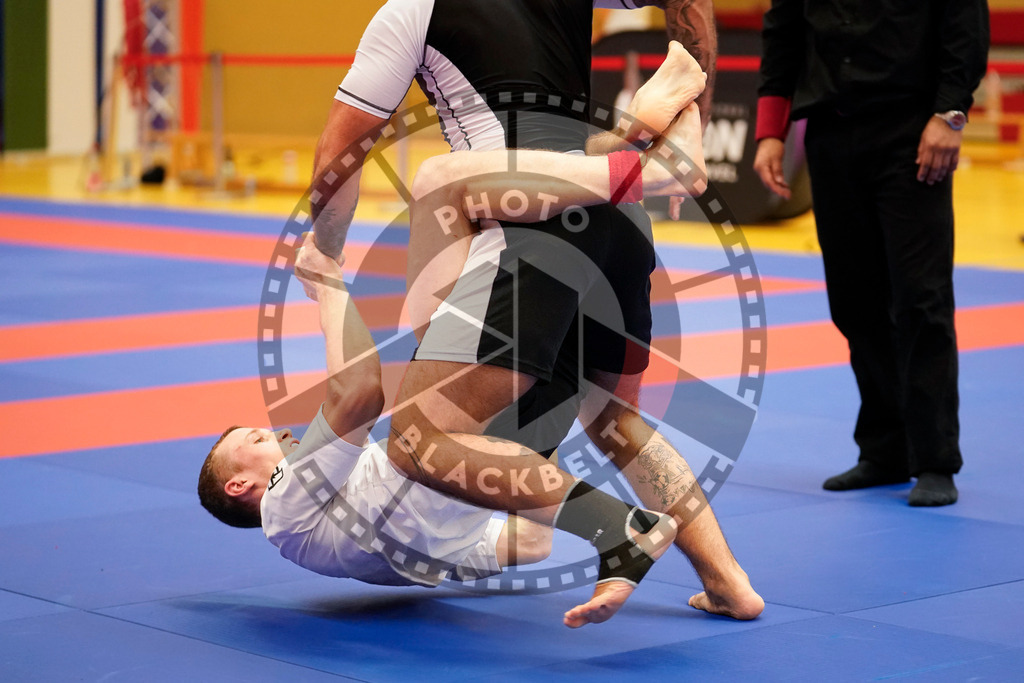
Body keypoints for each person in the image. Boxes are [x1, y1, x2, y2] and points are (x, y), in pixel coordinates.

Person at [310, 0, 763, 627]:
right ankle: (729, 583)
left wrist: (323, 249)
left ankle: (621, 531)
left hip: (530, 215)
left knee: (418, 440)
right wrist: (696, 120)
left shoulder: (408, 13)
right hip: (619, 218)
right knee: (616, 420)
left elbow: (339, 152)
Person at [198, 136, 709, 610]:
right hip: (491, 417)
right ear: (241, 485)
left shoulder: (395, 561)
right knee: (447, 188)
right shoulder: (283, 513)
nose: (279, 432)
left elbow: (531, 545)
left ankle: (650, 140)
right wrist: (327, 281)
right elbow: (358, 393)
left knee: (561, 221)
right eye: (256, 437)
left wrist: (518, 489)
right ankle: (656, 145)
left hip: (528, 426)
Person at [753, 0, 990, 506]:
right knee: (854, 301)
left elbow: (963, 25)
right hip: (831, 134)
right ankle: (885, 451)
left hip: (911, 132)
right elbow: (783, 32)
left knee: (919, 299)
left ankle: (933, 459)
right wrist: (771, 132)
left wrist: (950, 114)